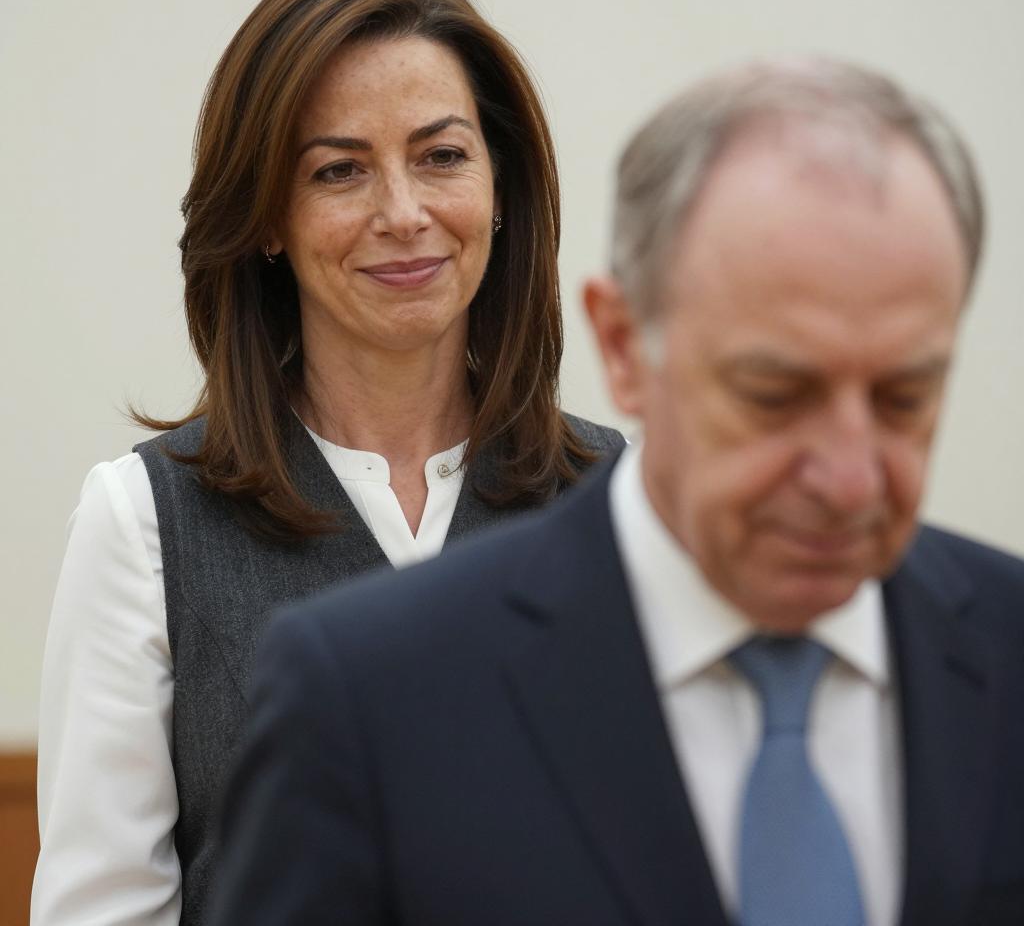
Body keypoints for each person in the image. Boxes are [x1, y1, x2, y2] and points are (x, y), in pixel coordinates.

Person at [211, 57, 1024, 926]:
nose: (849, 478)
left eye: (904, 398)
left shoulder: (1007, 650)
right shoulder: (373, 701)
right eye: (773, 395)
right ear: (626, 346)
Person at [31, 0, 623, 926]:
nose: (403, 213)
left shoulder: (623, 506)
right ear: (267, 217)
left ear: (501, 186)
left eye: (441, 156)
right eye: (339, 170)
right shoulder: (143, 523)